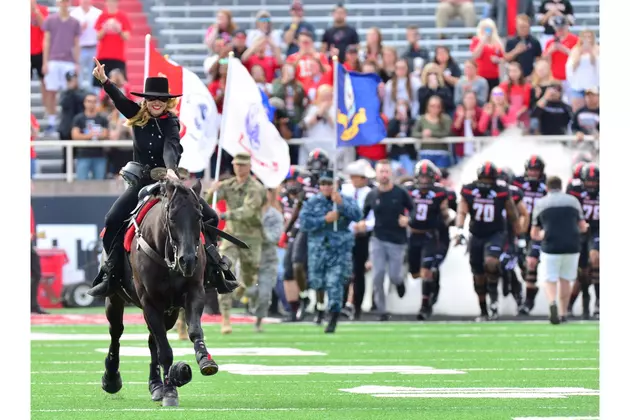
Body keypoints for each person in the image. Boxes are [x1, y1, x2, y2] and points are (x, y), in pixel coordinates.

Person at [87, 60, 222, 299]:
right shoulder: (136, 115)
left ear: (168, 101)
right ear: (146, 101)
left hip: (169, 179)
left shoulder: (171, 122)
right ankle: (111, 272)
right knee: (112, 219)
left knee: (210, 216)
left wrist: (171, 169)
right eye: (151, 98)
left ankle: (214, 268)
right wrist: (105, 82)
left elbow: (171, 147)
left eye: (160, 98)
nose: (156, 102)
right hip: (141, 183)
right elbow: (120, 100)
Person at [206, 153, 267, 334]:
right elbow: (206, 202)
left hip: (251, 238)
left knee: (250, 276)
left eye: (242, 165)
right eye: (236, 165)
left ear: (249, 167)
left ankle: (243, 288)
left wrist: (225, 215)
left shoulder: (256, 188)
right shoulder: (227, 185)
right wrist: (212, 191)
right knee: (224, 269)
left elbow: (249, 210)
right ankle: (226, 318)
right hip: (231, 236)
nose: (239, 168)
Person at [455, 162, 520, 321]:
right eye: (484, 178)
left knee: (491, 262)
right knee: (478, 275)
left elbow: (513, 214)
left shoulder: (502, 192)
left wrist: (520, 236)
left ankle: (494, 298)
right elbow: (462, 210)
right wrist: (459, 230)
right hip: (476, 234)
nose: (486, 182)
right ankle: (483, 310)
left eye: (489, 179)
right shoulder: (468, 190)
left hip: (495, 233)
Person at [299, 170, 362, 333]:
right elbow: (304, 223)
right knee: (317, 282)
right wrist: (324, 220)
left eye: (330, 184)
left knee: (335, 283)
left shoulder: (344, 199)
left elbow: (357, 215)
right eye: (323, 184)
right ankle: (320, 309)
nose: (326, 187)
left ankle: (333, 316)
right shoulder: (312, 202)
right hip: (318, 248)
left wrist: (341, 204)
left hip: (339, 248)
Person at [531, 176, 588, 324]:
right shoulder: (573, 201)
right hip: (572, 245)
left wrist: (543, 235)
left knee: (550, 279)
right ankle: (563, 313)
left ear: (547, 188)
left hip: (551, 246)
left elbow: (534, 233)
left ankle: (552, 303)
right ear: (561, 186)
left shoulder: (541, 203)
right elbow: (582, 226)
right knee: (565, 280)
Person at [362, 160, 414, 321]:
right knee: (377, 275)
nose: (384, 175)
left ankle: (399, 283)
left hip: (397, 240)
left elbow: (413, 209)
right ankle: (382, 310)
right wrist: (360, 224)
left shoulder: (400, 192)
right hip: (378, 238)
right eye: (381, 171)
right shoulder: (372, 195)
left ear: (390, 173)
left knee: (394, 276)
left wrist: (407, 219)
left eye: (386, 171)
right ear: (376, 174)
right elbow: (362, 215)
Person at [281, 149, 329, 322]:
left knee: (319, 271)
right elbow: (298, 206)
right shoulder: (303, 184)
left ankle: (321, 308)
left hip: (325, 231)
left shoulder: (332, 181)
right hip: (304, 230)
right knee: (295, 266)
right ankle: (302, 300)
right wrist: (286, 231)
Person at [405, 160, 452, 320]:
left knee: (426, 270)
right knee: (415, 273)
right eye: (422, 177)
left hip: (431, 235)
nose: (424, 180)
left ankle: (425, 307)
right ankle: (434, 283)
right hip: (413, 235)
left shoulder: (440, 192)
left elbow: (446, 212)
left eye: (427, 177)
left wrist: (448, 218)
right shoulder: (409, 190)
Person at [340, 160, 375, 320]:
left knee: (358, 272)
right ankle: (340, 305)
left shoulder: (371, 193)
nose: (354, 179)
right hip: (344, 236)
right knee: (343, 271)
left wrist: (366, 225)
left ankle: (357, 306)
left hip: (361, 237)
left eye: (358, 177)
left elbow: (375, 217)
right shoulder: (345, 190)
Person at [512, 155, 548, 314]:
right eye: (531, 170)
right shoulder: (516, 183)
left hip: (537, 229)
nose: (533, 173)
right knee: (519, 263)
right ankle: (522, 292)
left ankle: (529, 301)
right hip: (519, 228)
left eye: (536, 170)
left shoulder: (546, 186)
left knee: (532, 262)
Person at [246, 187, 284, 332]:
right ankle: (251, 303)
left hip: (267, 260)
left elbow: (274, 237)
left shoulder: (275, 216)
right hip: (248, 260)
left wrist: (259, 231)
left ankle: (259, 321)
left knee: (264, 294)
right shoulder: (249, 213)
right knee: (249, 290)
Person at [566, 163, 599, 319]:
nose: (592, 184)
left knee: (596, 259)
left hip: (597, 231)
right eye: (589, 181)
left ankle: (599, 302)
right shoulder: (574, 190)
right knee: (583, 274)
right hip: (580, 233)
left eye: (594, 181)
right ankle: (573, 304)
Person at [497, 167, 529, 309]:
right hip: (493, 233)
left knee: (511, 264)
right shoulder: (488, 192)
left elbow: (524, 214)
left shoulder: (514, 193)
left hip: (509, 234)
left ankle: (519, 295)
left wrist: (520, 233)